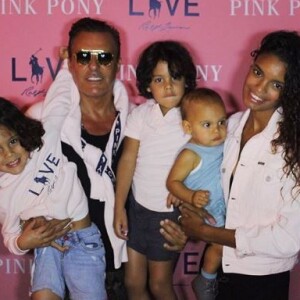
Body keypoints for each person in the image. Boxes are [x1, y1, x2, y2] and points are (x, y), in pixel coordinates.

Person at [161, 30, 300, 300]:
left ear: (290, 91)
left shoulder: (293, 148)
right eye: (258, 73)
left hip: (262, 279)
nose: (259, 88)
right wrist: (186, 219)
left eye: (276, 84)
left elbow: (289, 240)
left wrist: (207, 232)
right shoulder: (229, 127)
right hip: (218, 270)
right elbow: (207, 191)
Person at [27, 17, 130, 299]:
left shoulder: (138, 122)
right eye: (83, 57)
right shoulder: (41, 120)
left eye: (104, 58)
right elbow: (16, 188)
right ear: (70, 61)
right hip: (64, 263)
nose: (93, 67)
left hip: (126, 266)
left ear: (118, 63)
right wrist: (28, 226)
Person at [0, 94, 106, 300]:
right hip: (47, 248)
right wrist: (24, 241)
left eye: (12, 141)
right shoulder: (3, 195)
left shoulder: (45, 143)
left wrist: (68, 62)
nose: (9, 154)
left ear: (21, 132)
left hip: (83, 240)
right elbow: (10, 237)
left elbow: (61, 94)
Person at [113, 40, 197, 300]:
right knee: (133, 284)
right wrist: (119, 208)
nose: (168, 86)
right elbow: (128, 160)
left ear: (187, 80)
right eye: (159, 79)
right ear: (148, 84)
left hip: (169, 214)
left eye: (175, 77)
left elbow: (204, 160)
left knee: (160, 285)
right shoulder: (140, 115)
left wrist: (184, 191)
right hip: (137, 209)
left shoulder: (192, 116)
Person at [166, 87, 227, 299]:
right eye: (207, 125)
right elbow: (173, 182)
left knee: (223, 245)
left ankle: (207, 278)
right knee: (220, 245)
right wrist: (190, 196)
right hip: (208, 209)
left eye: (222, 122)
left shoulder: (224, 143)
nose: (217, 130)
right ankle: (205, 280)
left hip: (225, 204)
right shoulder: (190, 154)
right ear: (188, 127)